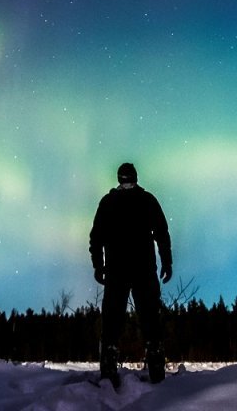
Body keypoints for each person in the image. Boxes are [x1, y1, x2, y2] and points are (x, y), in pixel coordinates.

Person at [89, 162, 173, 386]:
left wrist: (98, 265)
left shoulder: (109, 202)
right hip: (142, 270)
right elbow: (162, 234)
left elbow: (96, 237)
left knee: (113, 321)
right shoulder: (147, 200)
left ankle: (109, 371)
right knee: (149, 319)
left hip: (120, 271)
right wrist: (166, 261)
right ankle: (155, 371)